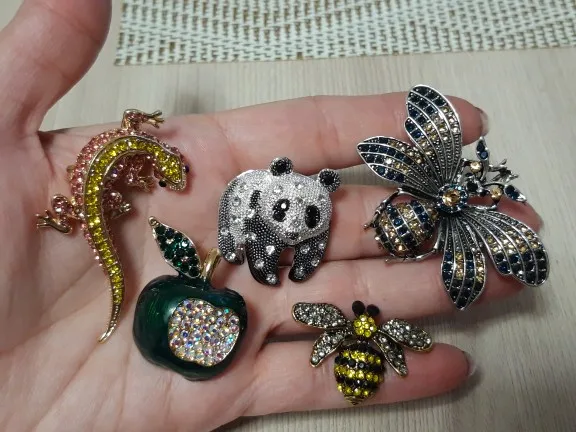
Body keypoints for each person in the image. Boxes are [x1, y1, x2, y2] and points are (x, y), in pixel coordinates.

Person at [0, 1, 540, 431]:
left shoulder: (308, 211)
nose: (295, 224)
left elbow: (305, 239)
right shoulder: (247, 195)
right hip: (225, 240)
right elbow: (249, 226)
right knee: (259, 248)